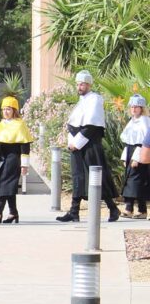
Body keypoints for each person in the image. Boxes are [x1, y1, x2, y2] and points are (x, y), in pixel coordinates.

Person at [57, 70, 122, 223]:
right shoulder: (82, 101)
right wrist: (72, 143)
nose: (79, 87)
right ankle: (74, 212)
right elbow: (74, 124)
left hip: (90, 146)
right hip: (78, 145)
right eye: (78, 84)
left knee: (97, 178)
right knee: (78, 177)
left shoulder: (95, 99)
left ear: (89, 85)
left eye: (82, 84)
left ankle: (113, 208)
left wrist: (77, 143)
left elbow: (92, 125)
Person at [0, 97, 33, 223]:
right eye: (4, 109)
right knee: (8, 185)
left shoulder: (19, 124)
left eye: (8, 109)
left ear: (14, 110)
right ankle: (13, 213)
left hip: (13, 157)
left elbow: (25, 145)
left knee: (4, 184)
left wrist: (24, 165)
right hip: (0, 158)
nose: (6, 112)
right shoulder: (1, 124)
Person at [120, 94, 150, 218]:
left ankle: (129, 208)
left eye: (136, 107)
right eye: (132, 107)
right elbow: (127, 140)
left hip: (139, 152)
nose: (134, 109)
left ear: (141, 108)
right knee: (132, 180)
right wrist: (124, 156)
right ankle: (140, 210)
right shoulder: (132, 121)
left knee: (135, 181)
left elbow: (144, 141)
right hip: (130, 151)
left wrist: (137, 157)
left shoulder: (144, 121)